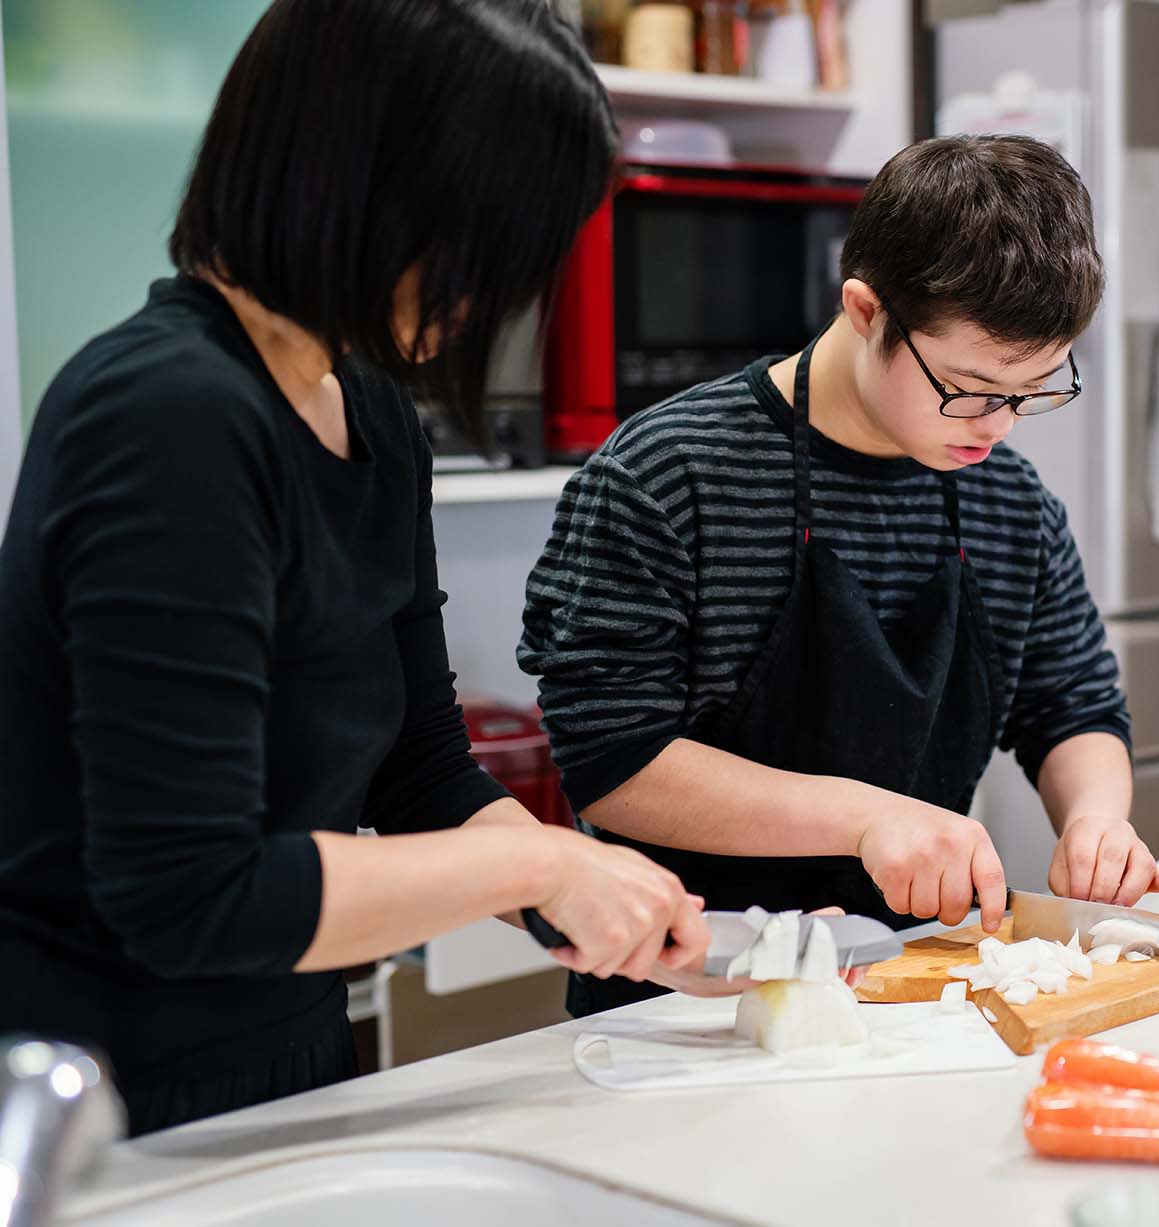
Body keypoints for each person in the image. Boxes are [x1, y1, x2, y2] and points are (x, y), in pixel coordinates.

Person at [0, 0, 724, 1137]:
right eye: (485, 247)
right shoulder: (166, 416)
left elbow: (421, 771)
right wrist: (536, 871)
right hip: (101, 1098)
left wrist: (588, 897)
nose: (490, 298)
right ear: (369, 187)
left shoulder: (373, 411)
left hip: (293, 1057)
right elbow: (192, 893)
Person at [520, 135, 1159, 1017]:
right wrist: (865, 817)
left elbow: (1075, 705)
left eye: (1032, 391)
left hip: (914, 991)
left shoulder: (1011, 503)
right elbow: (612, 760)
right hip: (683, 1001)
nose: (999, 427)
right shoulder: (666, 477)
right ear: (866, 311)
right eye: (972, 388)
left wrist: (1096, 815)